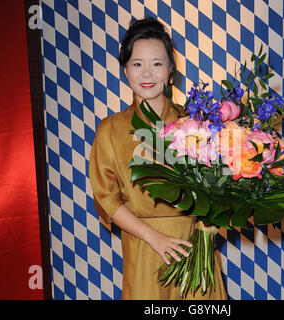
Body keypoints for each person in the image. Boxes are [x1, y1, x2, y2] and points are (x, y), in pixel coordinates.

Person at [89, 17, 227, 300]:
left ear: (171, 71)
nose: (147, 73)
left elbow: (221, 185)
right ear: (125, 70)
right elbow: (107, 199)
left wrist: (210, 221)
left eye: (157, 63)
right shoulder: (110, 129)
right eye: (137, 64)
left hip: (195, 245)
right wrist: (155, 238)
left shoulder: (197, 122)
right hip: (144, 249)